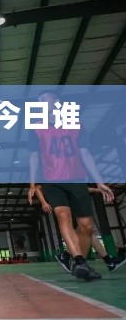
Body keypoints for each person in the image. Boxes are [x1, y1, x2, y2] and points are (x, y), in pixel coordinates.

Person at [28, 90, 114, 281]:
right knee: (63, 215)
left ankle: (76, 260)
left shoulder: (76, 125)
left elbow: (85, 154)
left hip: (77, 178)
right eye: (39, 101)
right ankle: (80, 262)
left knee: (86, 226)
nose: (41, 102)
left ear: (56, 102)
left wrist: (99, 181)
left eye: (44, 99)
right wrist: (32, 184)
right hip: (51, 180)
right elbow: (34, 157)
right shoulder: (36, 128)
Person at [32, 185, 125, 273]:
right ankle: (70, 257)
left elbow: (81, 188)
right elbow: (37, 188)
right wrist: (44, 203)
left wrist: (97, 190)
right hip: (63, 207)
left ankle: (107, 260)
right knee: (84, 231)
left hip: (73, 206)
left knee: (88, 232)